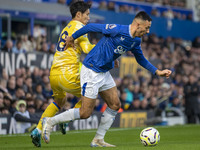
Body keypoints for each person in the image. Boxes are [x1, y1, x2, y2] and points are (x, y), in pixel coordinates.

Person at [42, 11, 172, 147]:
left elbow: (141, 59)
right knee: (85, 113)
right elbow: (90, 27)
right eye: (146, 28)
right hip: (92, 70)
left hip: (104, 72)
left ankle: (98, 139)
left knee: (115, 104)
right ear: (138, 24)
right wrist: (72, 37)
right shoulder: (117, 30)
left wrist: (157, 72)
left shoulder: (136, 40)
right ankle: (49, 122)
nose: (147, 31)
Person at [31, 1, 95, 147]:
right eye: (87, 14)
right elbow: (87, 48)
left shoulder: (66, 27)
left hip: (54, 74)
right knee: (93, 93)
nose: (88, 18)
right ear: (78, 14)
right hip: (67, 73)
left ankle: (37, 130)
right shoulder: (80, 27)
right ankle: (63, 119)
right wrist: (106, 48)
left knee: (59, 101)